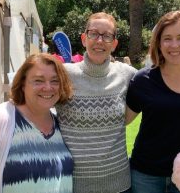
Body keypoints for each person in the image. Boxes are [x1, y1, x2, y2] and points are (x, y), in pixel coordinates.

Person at [125, 10, 180, 193]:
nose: (174, 45)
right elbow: (121, 121)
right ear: (158, 43)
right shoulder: (143, 80)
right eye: (167, 38)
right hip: (146, 174)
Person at [55, 12, 137, 193]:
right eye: (93, 33)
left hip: (119, 185)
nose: (99, 40)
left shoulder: (128, 75)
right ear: (84, 39)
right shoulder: (63, 74)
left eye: (107, 36)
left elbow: (159, 82)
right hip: (73, 186)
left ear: (114, 44)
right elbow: (32, 91)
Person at [0, 53, 74, 193]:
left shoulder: (62, 124)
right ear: (22, 85)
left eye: (55, 81)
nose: (48, 87)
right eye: (38, 80)